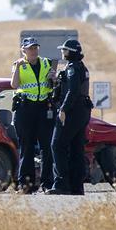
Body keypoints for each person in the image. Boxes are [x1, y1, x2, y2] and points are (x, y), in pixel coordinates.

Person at [46, 39, 94, 195]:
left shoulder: (72, 68)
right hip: (82, 111)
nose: (62, 52)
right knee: (76, 148)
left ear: (71, 52)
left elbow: (72, 91)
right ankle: (76, 186)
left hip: (72, 111)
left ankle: (61, 184)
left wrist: (64, 109)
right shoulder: (80, 67)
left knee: (57, 145)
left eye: (65, 50)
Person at [10, 37, 55, 194]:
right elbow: (14, 85)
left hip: (43, 108)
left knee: (46, 148)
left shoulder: (46, 62)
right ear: (24, 50)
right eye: (30, 48)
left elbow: (52, 84)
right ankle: (25, 185)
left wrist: (53, 78)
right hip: (25, 108)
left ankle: (47, 183)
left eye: (35, 47)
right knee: (26, 148)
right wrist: (17, 68)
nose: (34, 51)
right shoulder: (18, 65)